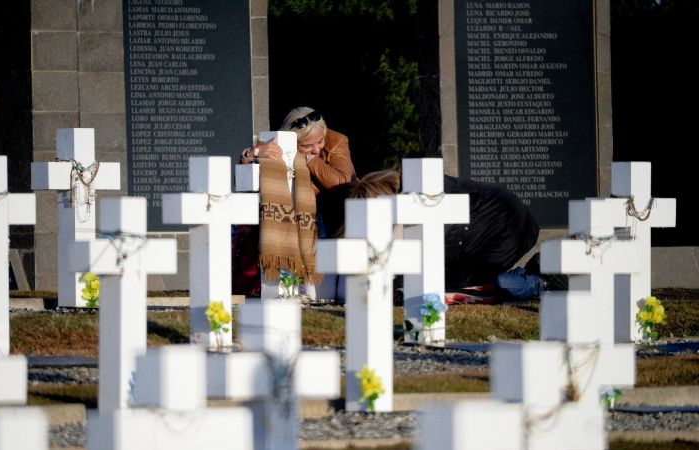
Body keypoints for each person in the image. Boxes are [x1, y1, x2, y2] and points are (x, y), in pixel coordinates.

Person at [343, 167, 562, 303]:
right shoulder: (406, 199)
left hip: (503, 228)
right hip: (482, 231)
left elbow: (417, 258)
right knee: (429, 286)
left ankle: (538, 281)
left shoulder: (420, 191)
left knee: (463, 290)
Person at [234, 107, 357, 298]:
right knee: (286, 293)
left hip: (327, 225)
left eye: (320, 141)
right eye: (308, 145)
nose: (317, 148)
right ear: (293, 141)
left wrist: (310, 159)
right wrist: (253, 153)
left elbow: (343, 182)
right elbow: (246, 185)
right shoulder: (276, 146)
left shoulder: (336, 142)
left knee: (321, 295)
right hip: (286, 229)